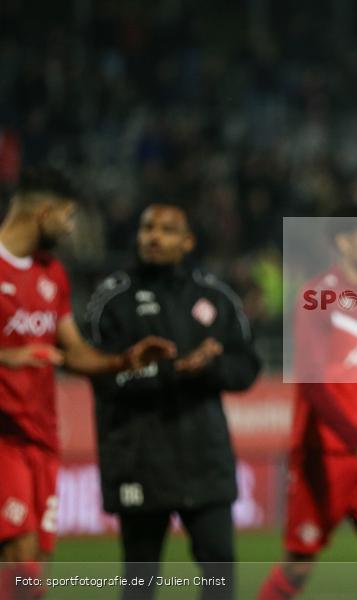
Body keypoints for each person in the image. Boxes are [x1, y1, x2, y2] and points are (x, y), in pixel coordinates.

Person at [0, 168, 175, 600]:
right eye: (69, 216)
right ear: (45, 213)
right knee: (19, 556)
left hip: (41, 435)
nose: (72, 227)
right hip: (3, 437)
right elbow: (28, 354)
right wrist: (9, 356)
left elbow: (71, 350)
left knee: (37, 564)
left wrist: (124, 360)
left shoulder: (52, 273)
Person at [86, 204, 261, 600]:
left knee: (220, 573)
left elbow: (246, 366)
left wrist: (210, 367)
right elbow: (99, 374)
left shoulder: (215, 296)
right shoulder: (113, 297)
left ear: (188, 242)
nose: (154, 237)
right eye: (147, 227)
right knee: (140, 581)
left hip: (205, 458)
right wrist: (172, 371)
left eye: (167, 230)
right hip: (140, 456)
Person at [257, 208, 357, 600]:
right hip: (325, 453)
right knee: (298, 565)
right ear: (344, 242)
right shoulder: (318, 296)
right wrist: (356, 439)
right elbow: (311, 382)